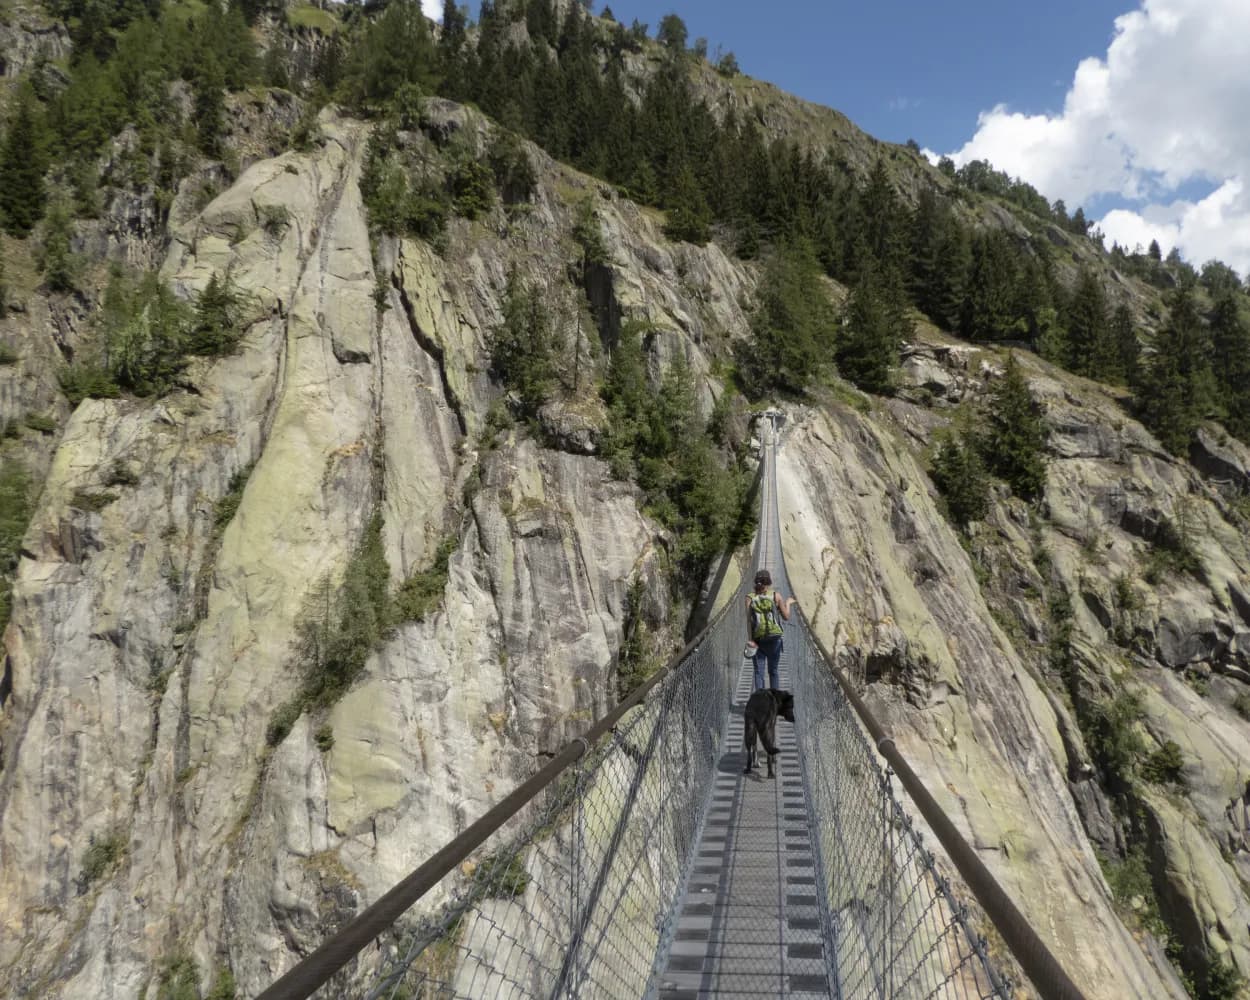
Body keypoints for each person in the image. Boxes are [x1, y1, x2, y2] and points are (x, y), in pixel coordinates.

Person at [745, 569, 796, 691]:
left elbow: (749, 621)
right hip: (775, 639)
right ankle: (775, 702)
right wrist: (788, 603)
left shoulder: (749, 598)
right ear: (768, 583)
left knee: (759, 673)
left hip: (758, 639)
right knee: (773, 671)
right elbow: (786, 617)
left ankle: (761, 704)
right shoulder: (775, 596)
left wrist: (751, 640)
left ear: (756, 582)